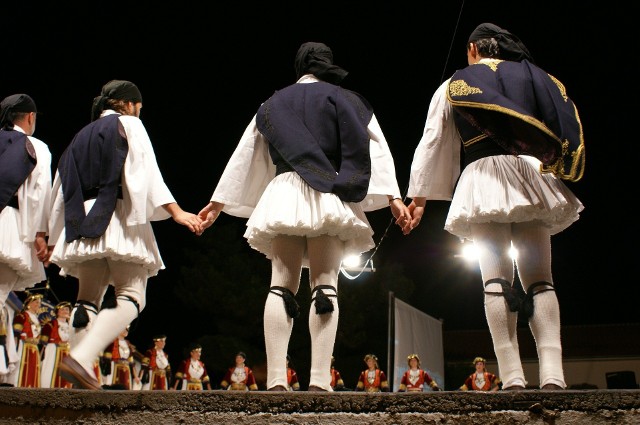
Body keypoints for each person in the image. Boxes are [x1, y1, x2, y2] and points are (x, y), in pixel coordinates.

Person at [198, 41, 410, 392]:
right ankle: (318, 381)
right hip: (330, 192)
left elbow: (244, 154)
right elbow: (378, 147)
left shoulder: (271, 104)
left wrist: (217, 203)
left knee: (280, 284)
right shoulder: (347, 99)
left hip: (284, 193)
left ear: (298, 67)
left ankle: (278, 381)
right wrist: (394, 198)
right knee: (326, 284)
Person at [406, 23, 585, 391]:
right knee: (540, 278)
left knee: (496, 281)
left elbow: (432, 140)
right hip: (529, 174)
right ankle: (553, 374)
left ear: (473, 49)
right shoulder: (535, 76)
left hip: (484, 178)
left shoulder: (455, 83)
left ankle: (513, 376)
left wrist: (419, 198)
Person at [47, 80, 203, 390]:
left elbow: (60, 183)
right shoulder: (129, 124)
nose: (140, 114)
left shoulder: (81, 135)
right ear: (128, 104)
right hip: (117, 215)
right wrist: (177, 212)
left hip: (82, 220)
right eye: (140, 109)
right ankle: (81, 357)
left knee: (87, 298)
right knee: (132, 296)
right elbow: (146, 170)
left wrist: (50, 234)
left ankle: (80, 373)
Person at [0, 93, 52, 339]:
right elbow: (38, 195)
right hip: (9, 225)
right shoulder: (36, 147)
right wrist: (40, 235)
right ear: (30, 117)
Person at [11, 293, 44, 387]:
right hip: (23, 347)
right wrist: (24, 337)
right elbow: (16, 333)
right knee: (23, 367)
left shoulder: (37, 319)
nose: (38, 305)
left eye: (39, 303)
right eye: (36, 302)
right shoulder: (22, 316)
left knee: (33, 369)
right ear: (29, 303)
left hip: (34, 348)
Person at [40, 301, 73, 388]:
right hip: (53, 351)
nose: (65, 311)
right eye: (62, 309)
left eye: (67, 309)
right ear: (57, 312)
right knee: (50, 371)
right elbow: (43, 342)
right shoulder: (50, 325)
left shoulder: (71, 326)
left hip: (67, 352)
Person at [100, 325, 140, 390]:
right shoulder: (113, 342)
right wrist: (105, 372)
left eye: (127, 329)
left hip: (126, 370)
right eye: (124, 329)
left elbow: (131, 362)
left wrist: (136, 377)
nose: (126, 331)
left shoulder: (127, 344)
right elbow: (107, 359)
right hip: (114, 367)